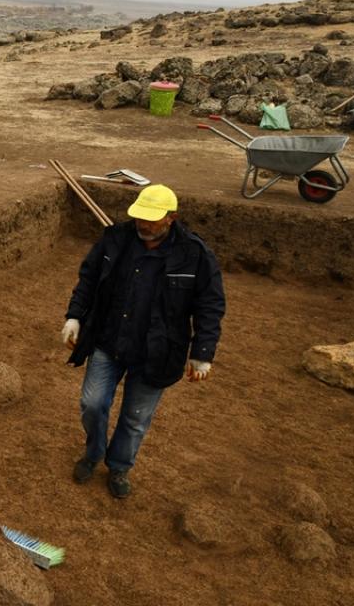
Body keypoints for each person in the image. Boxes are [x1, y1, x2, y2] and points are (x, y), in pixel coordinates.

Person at [62, 184, 225, 499]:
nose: (143, 224)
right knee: (92, 404)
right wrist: (74, 316)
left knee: (135, 418)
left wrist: (202, 353)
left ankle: (119, 467)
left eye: (151, 219)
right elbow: (89, 278)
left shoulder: (194, 254)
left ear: (171, 217)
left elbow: (210, 304)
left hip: (157, 352)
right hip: (109, 340)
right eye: (140, 217)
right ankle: (93, 453)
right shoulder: (116, 239)